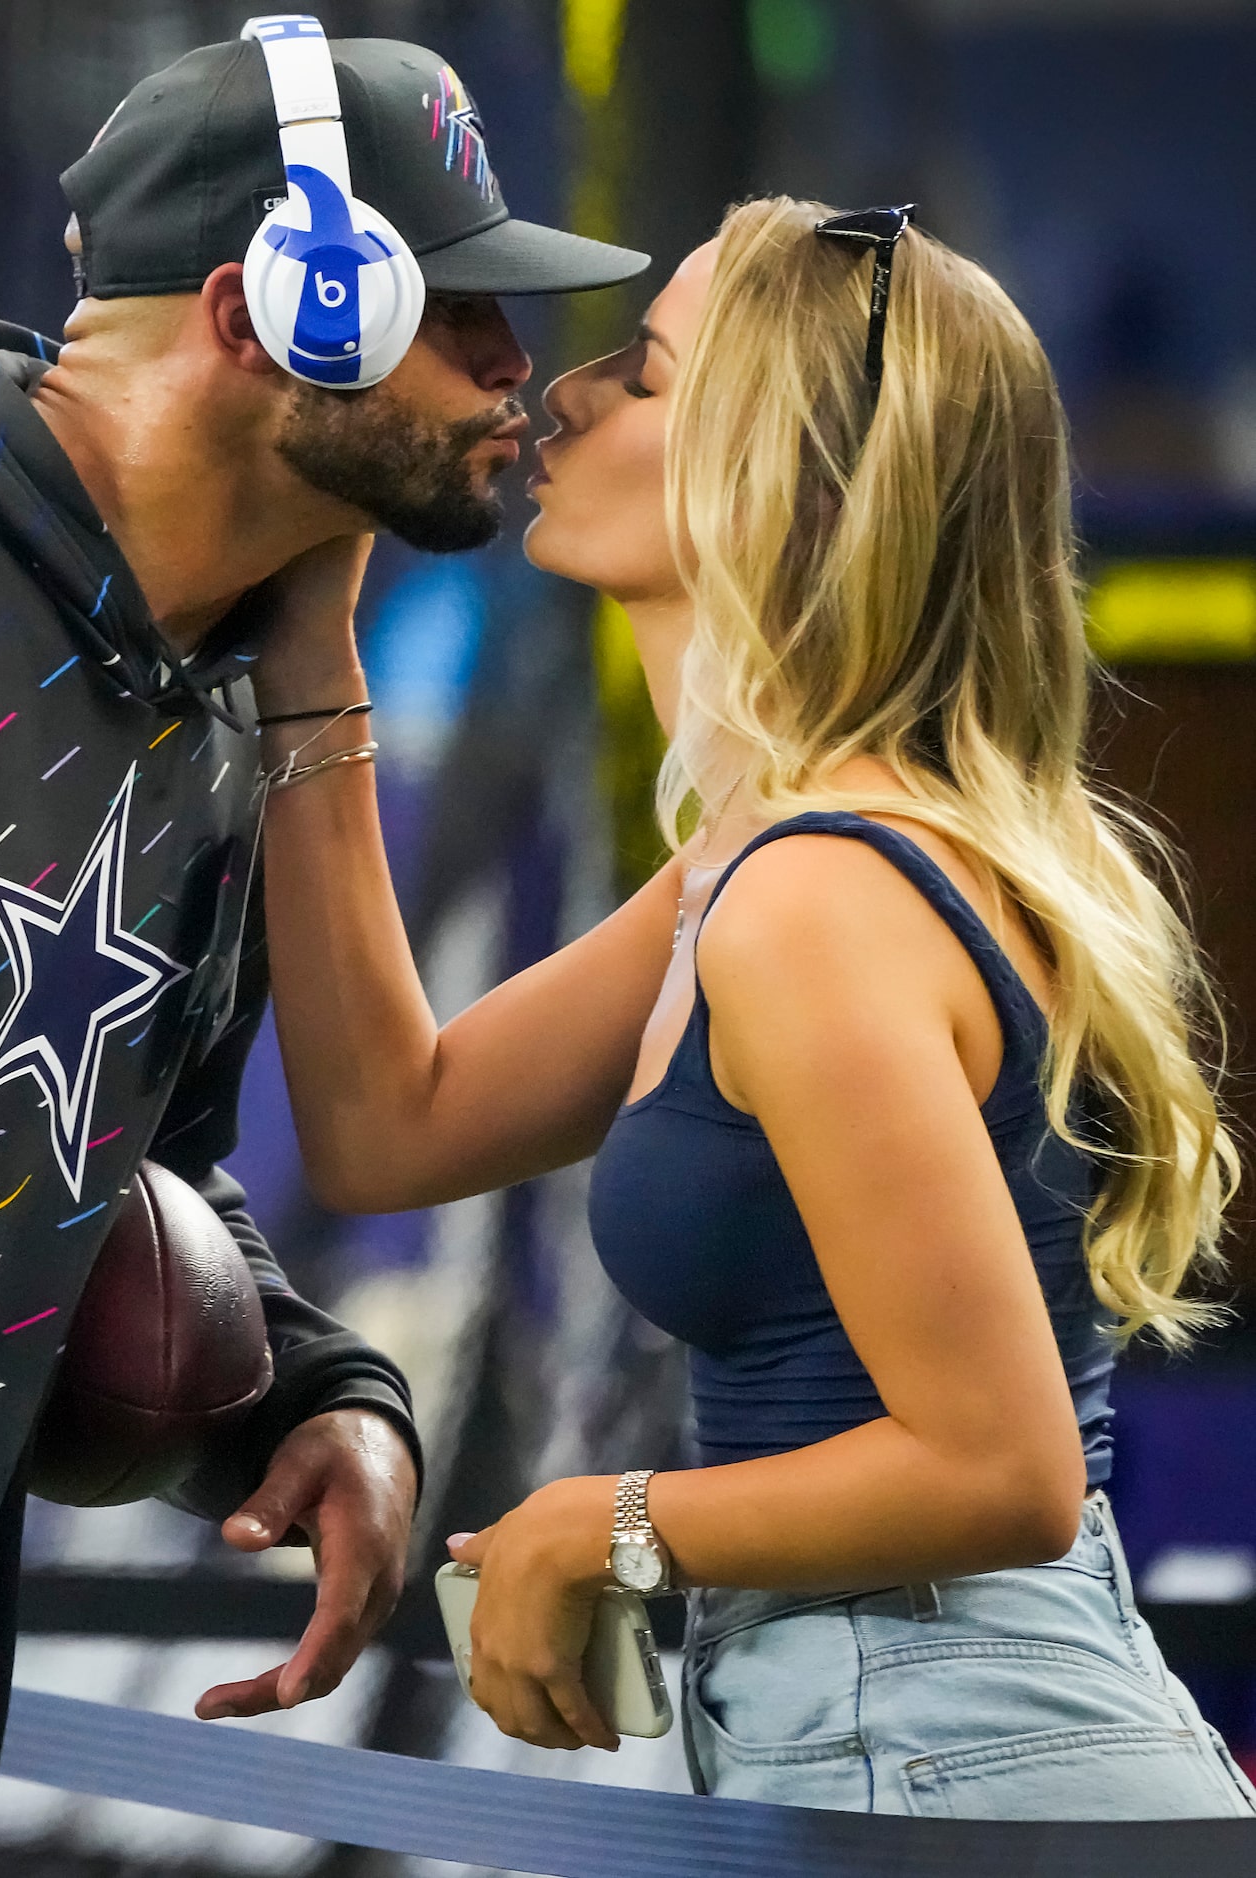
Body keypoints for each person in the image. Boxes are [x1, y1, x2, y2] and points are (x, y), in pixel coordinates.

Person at [249, 195, 1256, 1819]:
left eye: (644, 374)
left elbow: (1002, 1468)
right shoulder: (761, 865)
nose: (558, 397)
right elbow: (386, 1121)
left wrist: (603, 1521)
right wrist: (312, 637)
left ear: (794, 486)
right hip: (937, 1749)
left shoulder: (812, 900)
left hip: (956, 1765)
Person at [0, 22, 648, 1874]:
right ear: (283, 308)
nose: (519, 370)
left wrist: (308, 1388)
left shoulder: (194, 717)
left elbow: (133, 1170)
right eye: (460, 310)